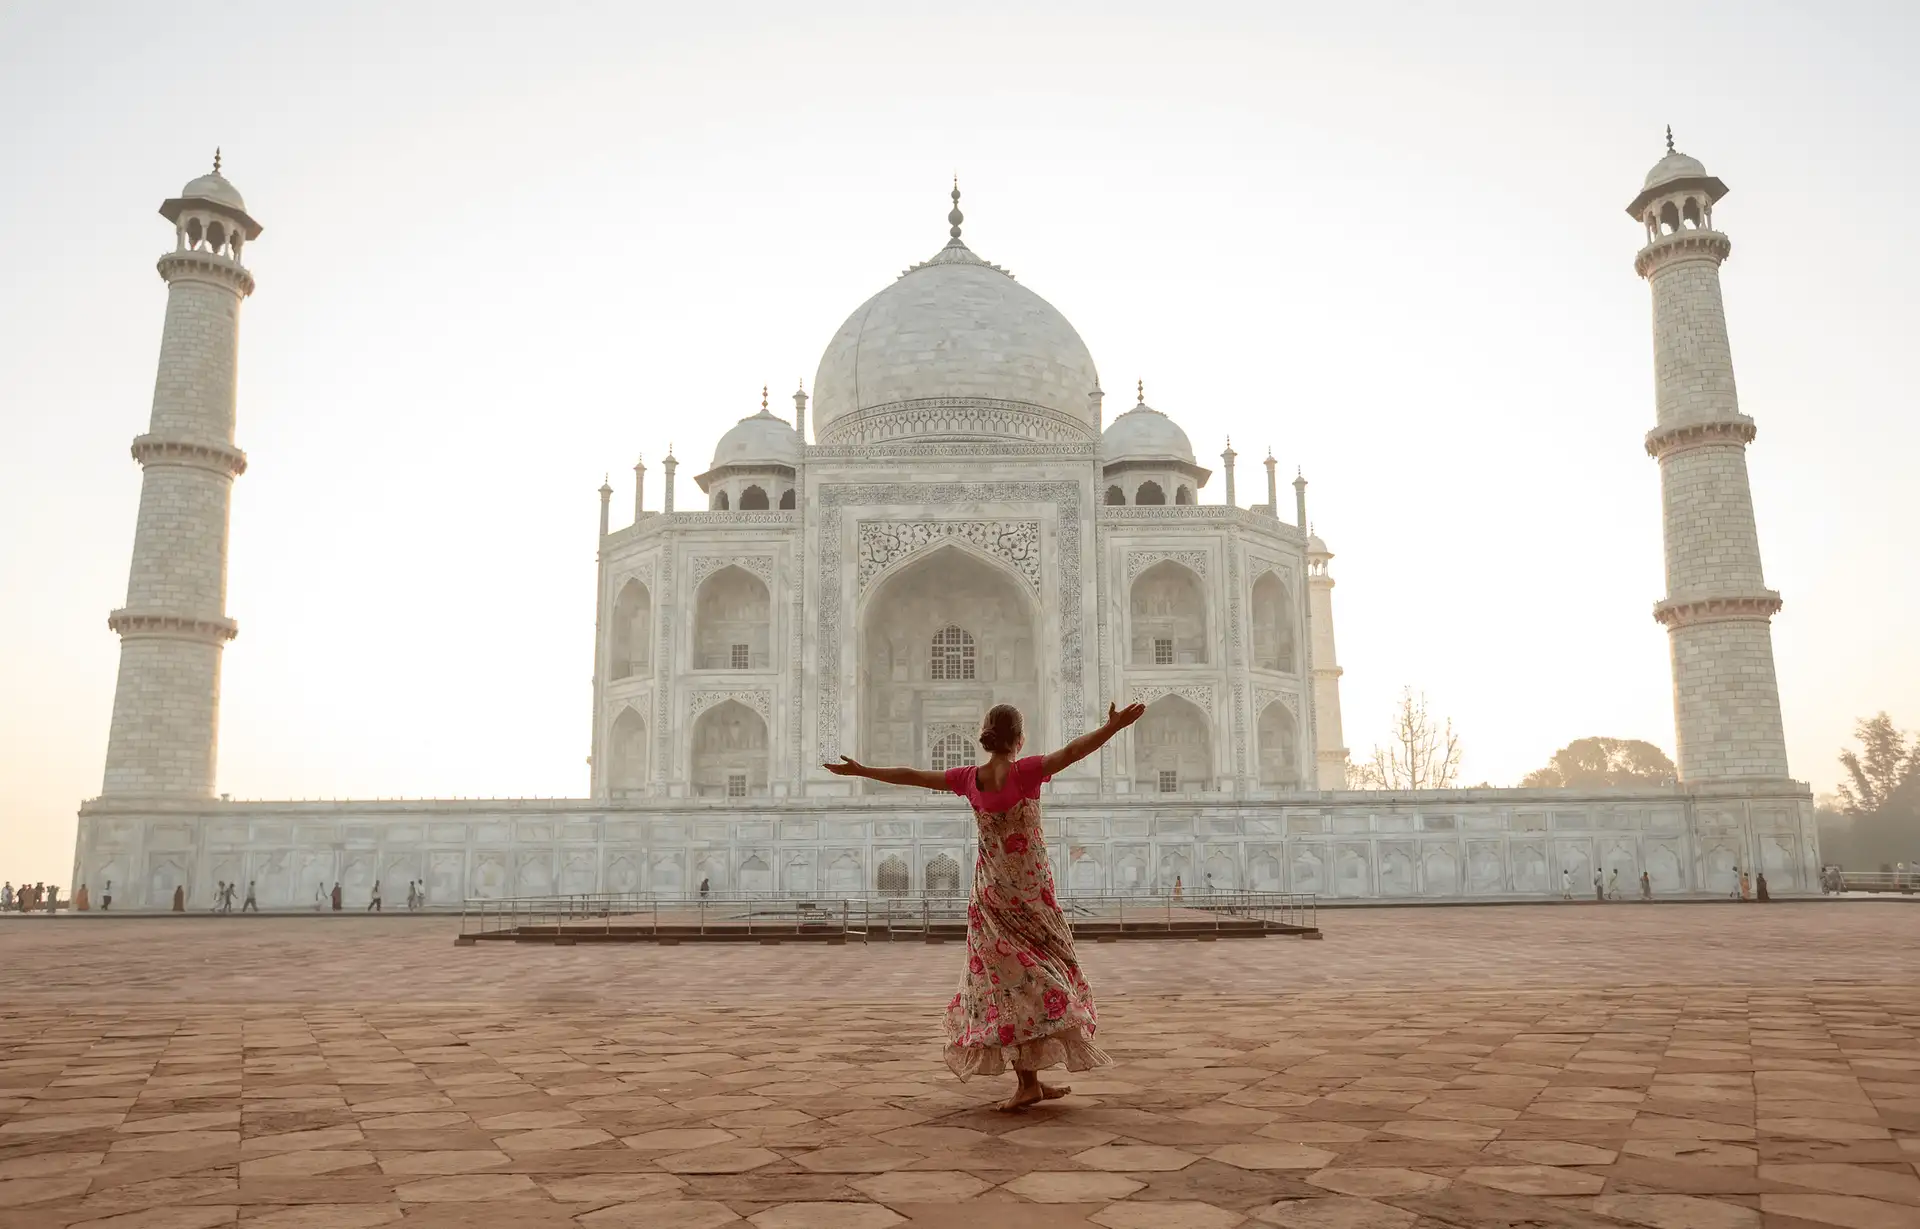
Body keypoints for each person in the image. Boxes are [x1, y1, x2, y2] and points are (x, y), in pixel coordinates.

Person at [825, 700, 1144, 1112]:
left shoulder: (969, 778)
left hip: (990, 895)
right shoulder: (1024, 771)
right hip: (1030, 894)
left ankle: (1029, 1081)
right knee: (1046, 973)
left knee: (1006, 984)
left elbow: (911, 776)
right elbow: (1072, 752)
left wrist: (863, 771)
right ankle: (1030, 1078)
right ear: (1018, 738)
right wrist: (1111, 728)